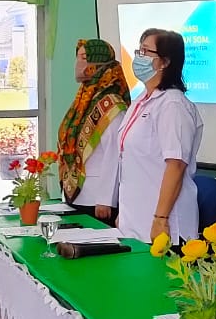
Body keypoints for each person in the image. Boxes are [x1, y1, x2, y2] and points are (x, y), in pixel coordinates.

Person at [97, 29, 204, 244]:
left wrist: (161, 218)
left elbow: (176, 165)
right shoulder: (141, 101)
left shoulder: (173, 104)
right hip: (136, 221)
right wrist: (125, 214)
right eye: (139, 50)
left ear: (164, 62)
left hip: (165, 226)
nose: (138, 57)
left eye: (146, 51)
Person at [57, 39, 130, 224]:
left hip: (97, 201)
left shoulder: (112, 105)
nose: (78, 63)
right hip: (76, 195)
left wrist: (106, 199)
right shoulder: (83, 100)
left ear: (98, 63)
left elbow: (114, 154)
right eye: (77, 57)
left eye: (84, 58)